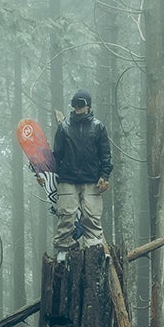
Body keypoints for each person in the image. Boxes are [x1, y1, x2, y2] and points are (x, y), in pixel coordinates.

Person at [49, 90, 113, 256]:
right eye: (75, 104)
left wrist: (104, 176)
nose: (77, 108)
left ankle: (94, 249)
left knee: (92, 217)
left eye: (81, 104)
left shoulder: (98, 127)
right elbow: (57, 155)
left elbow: (105, 154)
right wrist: (45, 172)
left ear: (88, 106)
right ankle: (64, 248)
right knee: (66, 216)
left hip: (92, 180)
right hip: (67, 179)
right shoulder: (64, 127)